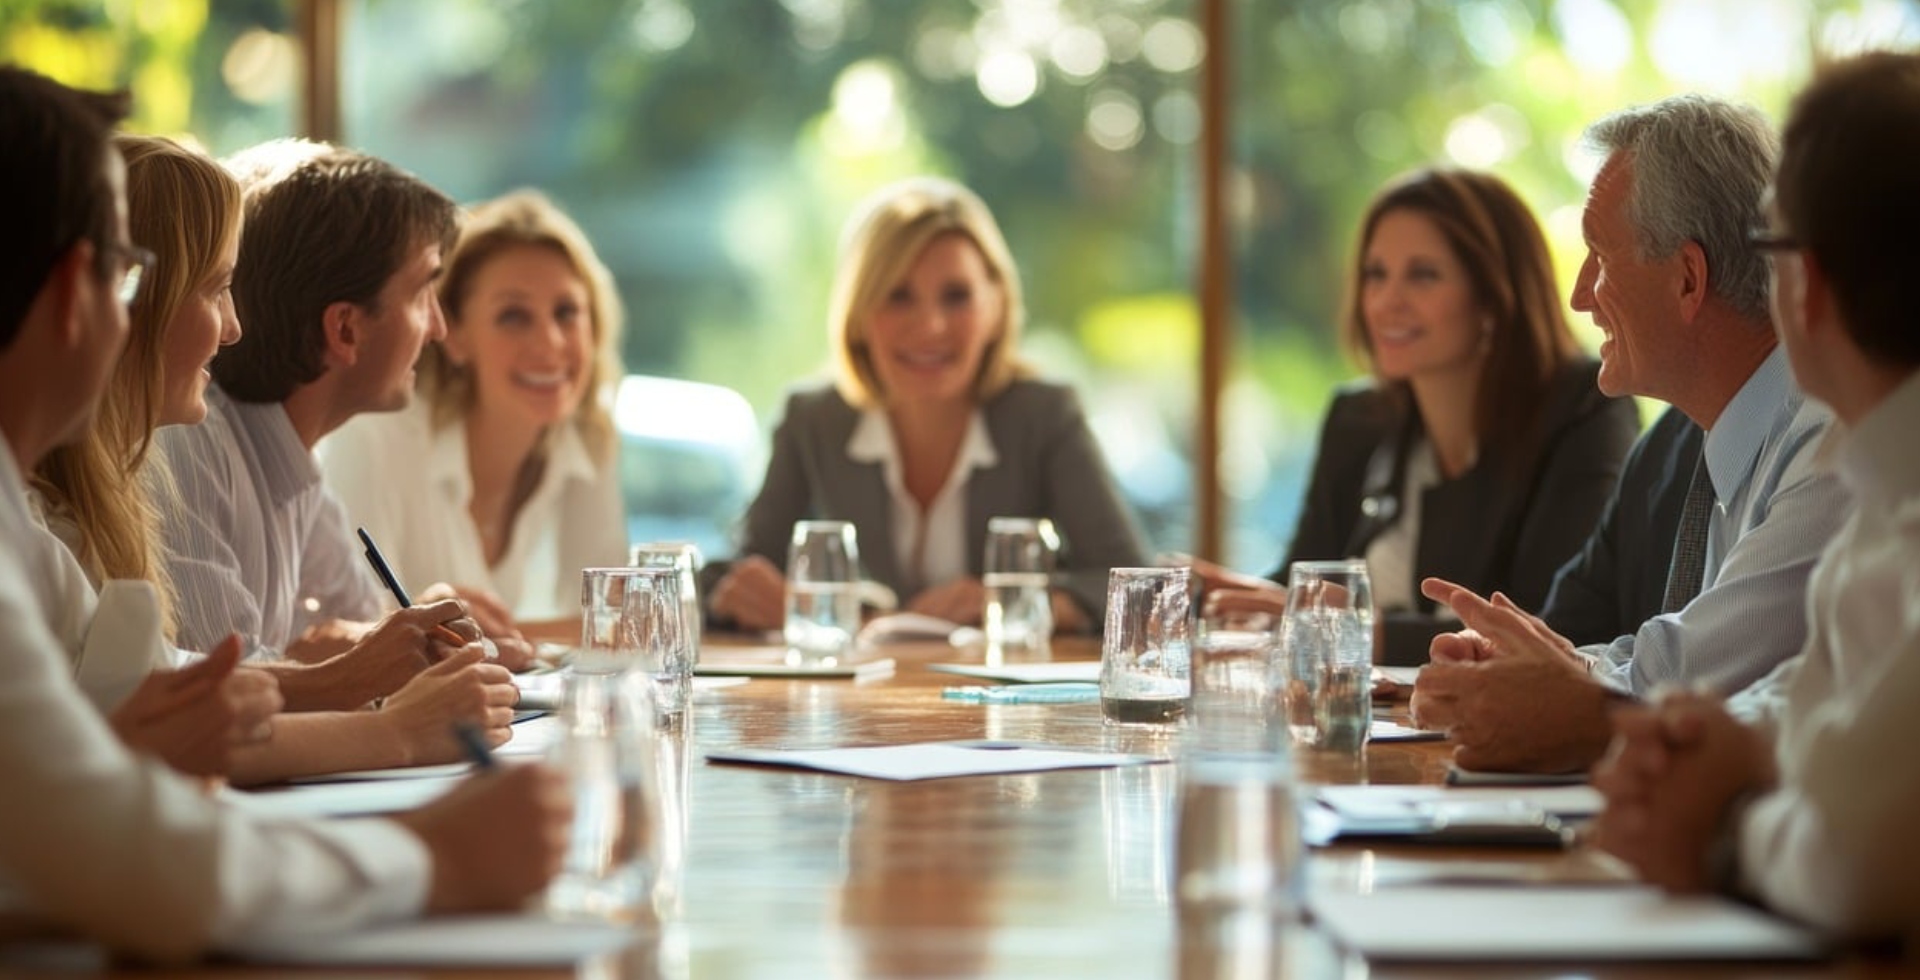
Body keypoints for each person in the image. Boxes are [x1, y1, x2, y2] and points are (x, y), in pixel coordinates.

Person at [0, 64, 567, 962]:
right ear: (80, 293)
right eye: (132, 276)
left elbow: (144, 688)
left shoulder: (18, 527)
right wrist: (432, 852)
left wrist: (314, 689)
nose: (232, 332)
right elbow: (128, 850)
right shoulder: (132, 481)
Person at [27, 134, 517, 783]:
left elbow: (165, 694)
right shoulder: (171, 457)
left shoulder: (108, 494)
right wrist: (385, 719)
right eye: (213, 289)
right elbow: (169, 734)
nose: (233, 328)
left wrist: (371, 657)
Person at [1412, 94, 1852, 774]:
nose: (1580, 296)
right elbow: (1665, 665)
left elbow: (1693, 676)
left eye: (1599, 257)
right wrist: (1538, 668)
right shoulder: (1709, 437)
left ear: (1687, 279)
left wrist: (1552, 680)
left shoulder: (1827, 433)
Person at [1590, 50, 1920, 940]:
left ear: (1805, 282)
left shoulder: (1870, 474)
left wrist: (1723, 829)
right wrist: (1734, 745)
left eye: (1768, 246)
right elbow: (1822, 692)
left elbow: (1861, 866)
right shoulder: (1879, 474)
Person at [1203, 168, 1639, 666]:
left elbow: (1556, 627)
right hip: (1360, 727)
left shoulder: (1584, 407)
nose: (1387, 302)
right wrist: (1236, 603)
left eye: (1422, 275)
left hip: (1490, 733)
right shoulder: (1358, 420)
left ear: (1494, 297)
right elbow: (1306, 591)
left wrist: (1360, 633)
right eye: (1376, 274)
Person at [153, 137, 535, 690]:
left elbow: (357, 632)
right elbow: (223, 690)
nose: (438, 327)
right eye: (424, 291)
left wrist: (410, 629)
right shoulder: (188, 448)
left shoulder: (292, 462)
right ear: (345, 329)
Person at [706, 176, 1147, 631]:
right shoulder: (813, 420)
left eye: (956, 296)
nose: (931, 325)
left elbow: (1135, 586)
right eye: (898, 296)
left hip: (1005, 698)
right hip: (861, 699)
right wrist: (792, 606)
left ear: (996, 306)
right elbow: (729, 581)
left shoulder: (1044, 415)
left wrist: (1017, 606)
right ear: (858, 315)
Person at [320, 190, 628, 639]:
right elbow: (343, 641)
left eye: (567, 313)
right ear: (454, 334)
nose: (551, 344)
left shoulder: (586, 435)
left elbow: (613, 622)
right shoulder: (375, 437)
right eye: (514, 316)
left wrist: (497, 638)